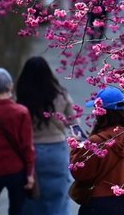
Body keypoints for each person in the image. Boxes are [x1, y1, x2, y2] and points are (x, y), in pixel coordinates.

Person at [16, 56, 78, 215]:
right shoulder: (60, 95)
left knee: (31, 200)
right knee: (58, 200)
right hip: (56, 153)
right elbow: (75, 127)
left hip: (30, 155)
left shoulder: (21, 99)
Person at [0, 68, 36, 215]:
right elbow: (27, 146)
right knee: (16, 210)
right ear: (10, 86)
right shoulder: (21, 112)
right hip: (16, 170)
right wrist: (29, 173)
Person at [69, 86, 124, 215]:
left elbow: (80, 173)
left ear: (101, 112)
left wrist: (76, 147)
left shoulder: (96, 141)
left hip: (98, 204)